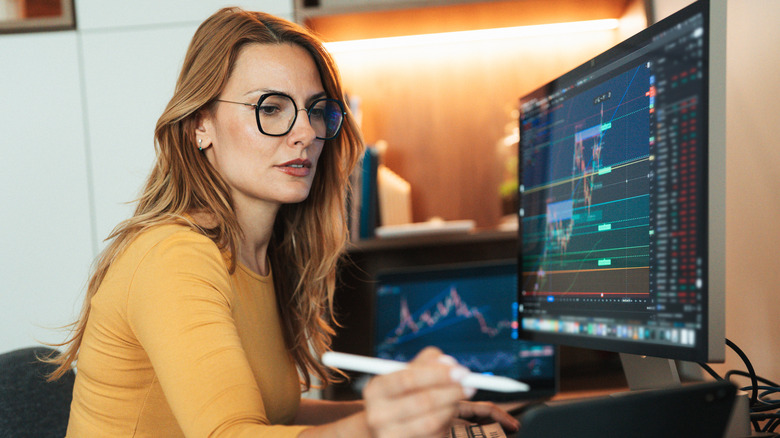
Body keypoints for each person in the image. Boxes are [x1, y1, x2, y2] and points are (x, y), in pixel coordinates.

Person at [46, 7, 520, 437]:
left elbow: (273, 418)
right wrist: (373, 430)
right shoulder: (173, 257)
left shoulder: (263, 255)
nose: (306, 133)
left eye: (316, 110)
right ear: (200, 125)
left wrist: (421, 418)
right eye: (270, 108)